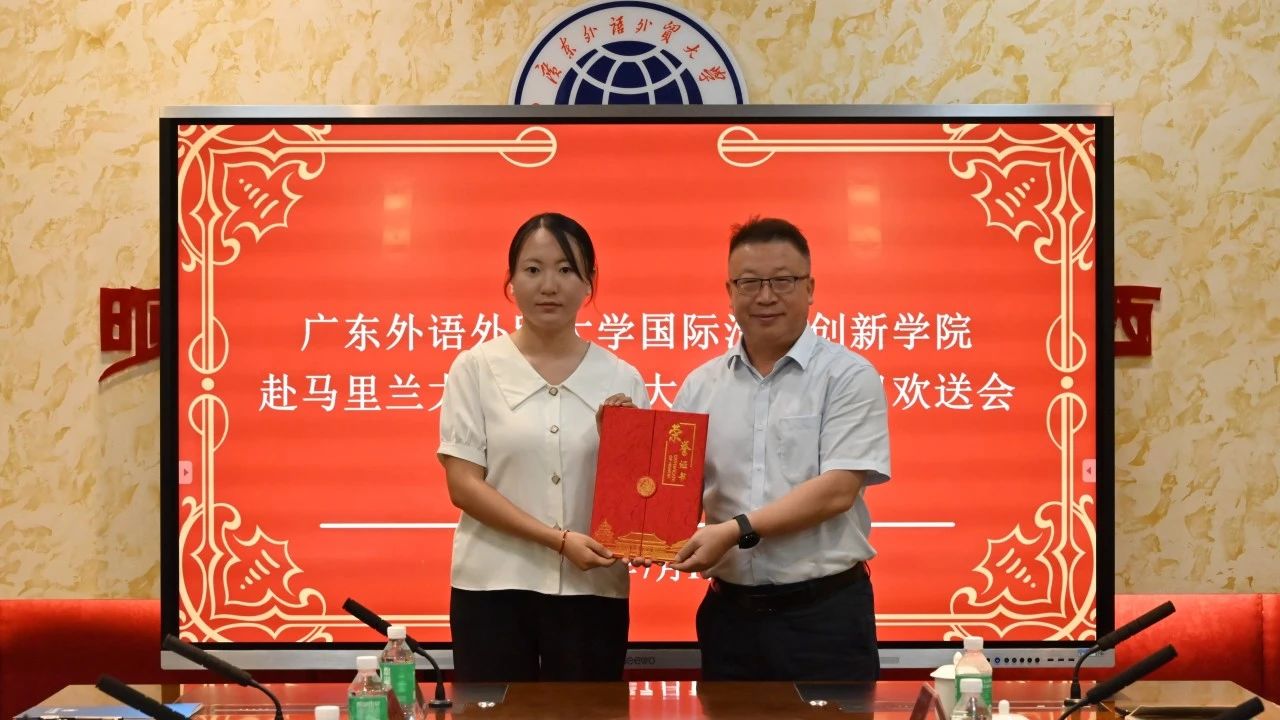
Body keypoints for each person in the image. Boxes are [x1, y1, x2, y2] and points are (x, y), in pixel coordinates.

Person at [669, 216, 891, 681]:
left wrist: (736, 530)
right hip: (729, 619)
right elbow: (674, 492)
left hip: (824, 618)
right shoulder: (700, 386)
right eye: (749, 283)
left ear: (810, 288)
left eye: (783, 281)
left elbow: (837, 491)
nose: (766, 296)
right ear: (729, 291)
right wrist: (629, 448)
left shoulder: (848, 376)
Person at [436, 212, 647, 681]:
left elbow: (640, 499)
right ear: (510, 281)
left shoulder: (621, 377)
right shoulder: (475, 368)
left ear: (590, 282)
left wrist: (620, 448)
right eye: (533, 269)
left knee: (588, 714)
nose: (549, 285)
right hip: (492, 590)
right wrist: (558, 541)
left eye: (566, 269)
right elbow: (463, 486)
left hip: (592, 592)